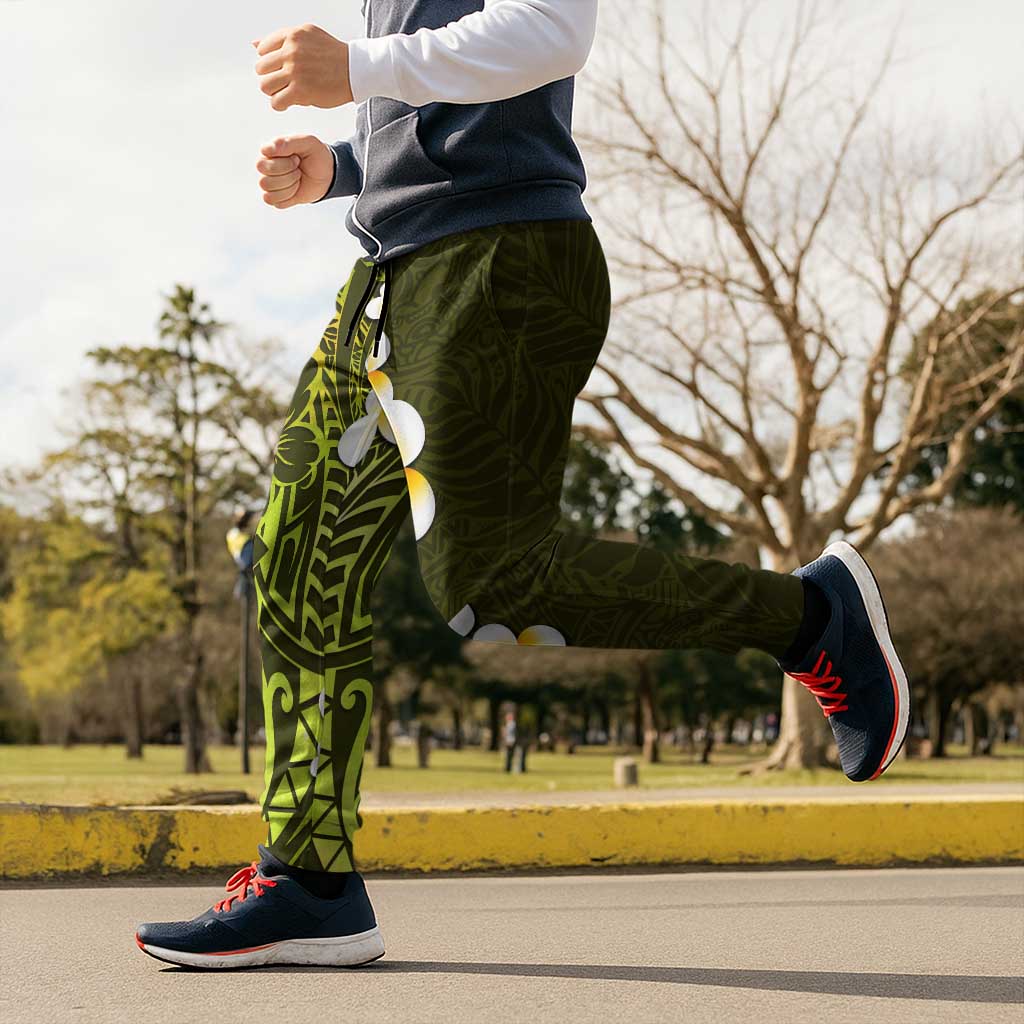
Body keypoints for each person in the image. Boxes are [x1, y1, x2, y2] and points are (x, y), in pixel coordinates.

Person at [135, 0, 910, 969]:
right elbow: (447, 112)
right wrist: (342, 167)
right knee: (291, 564)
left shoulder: (397, 52)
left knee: (492, 588)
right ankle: (310, 879)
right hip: (387, 275)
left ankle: (808, 616)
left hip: (494, 262)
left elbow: (553, 29)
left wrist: (363, 64)